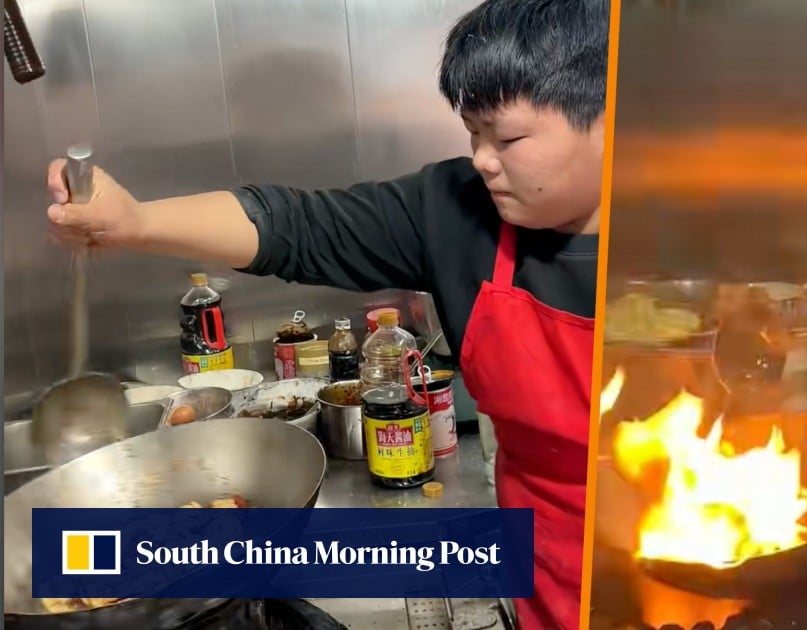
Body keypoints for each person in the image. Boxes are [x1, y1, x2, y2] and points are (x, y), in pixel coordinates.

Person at [44, 0, 608, 627]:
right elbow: (300, 226)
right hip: (547, 581)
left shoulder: (702, 237)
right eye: (473, 133)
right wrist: (137, 223)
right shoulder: (459, 211)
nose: (481, 158)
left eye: (507, 137)